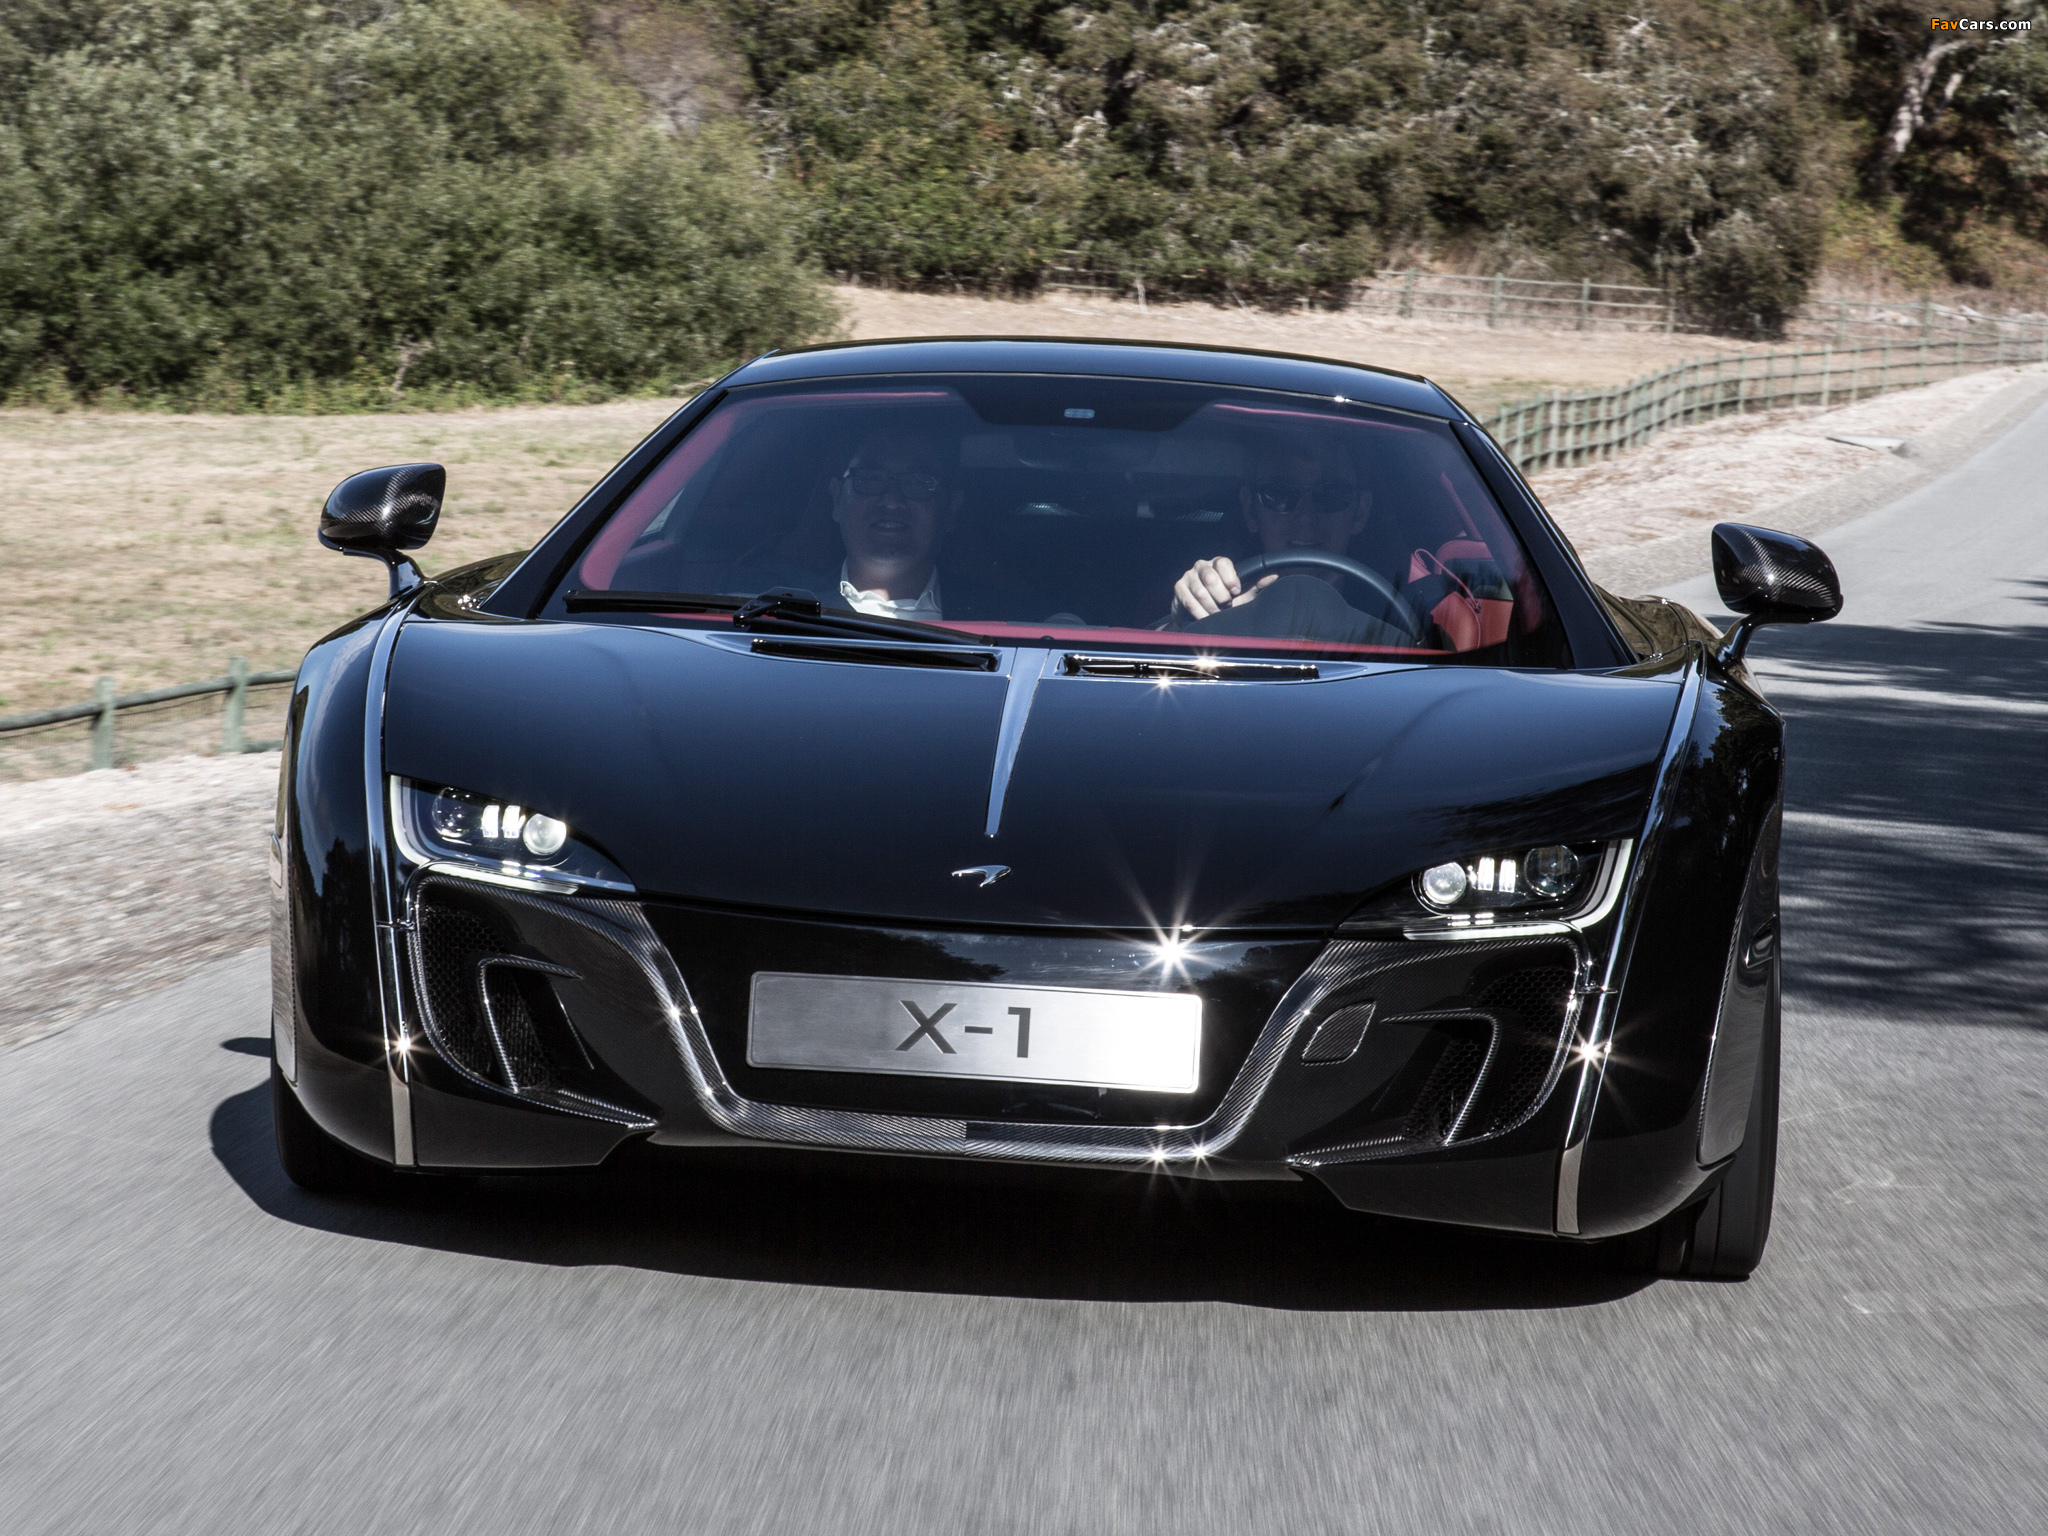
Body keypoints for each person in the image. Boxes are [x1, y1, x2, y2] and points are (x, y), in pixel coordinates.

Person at [1167, 432, 1410, 646]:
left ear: (1360, 512)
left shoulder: (1401, 611)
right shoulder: (1219, 596)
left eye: (1330, 495)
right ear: (1250, 509)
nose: (1305, 517)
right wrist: (1186, 619)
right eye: (1280, 494)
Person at [824, 429, 958, 621]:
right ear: (837, 499)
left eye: (917, 483)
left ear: (951, 509)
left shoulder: (997, 617)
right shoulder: (785, 610)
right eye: (871, 478)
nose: (892, 501)